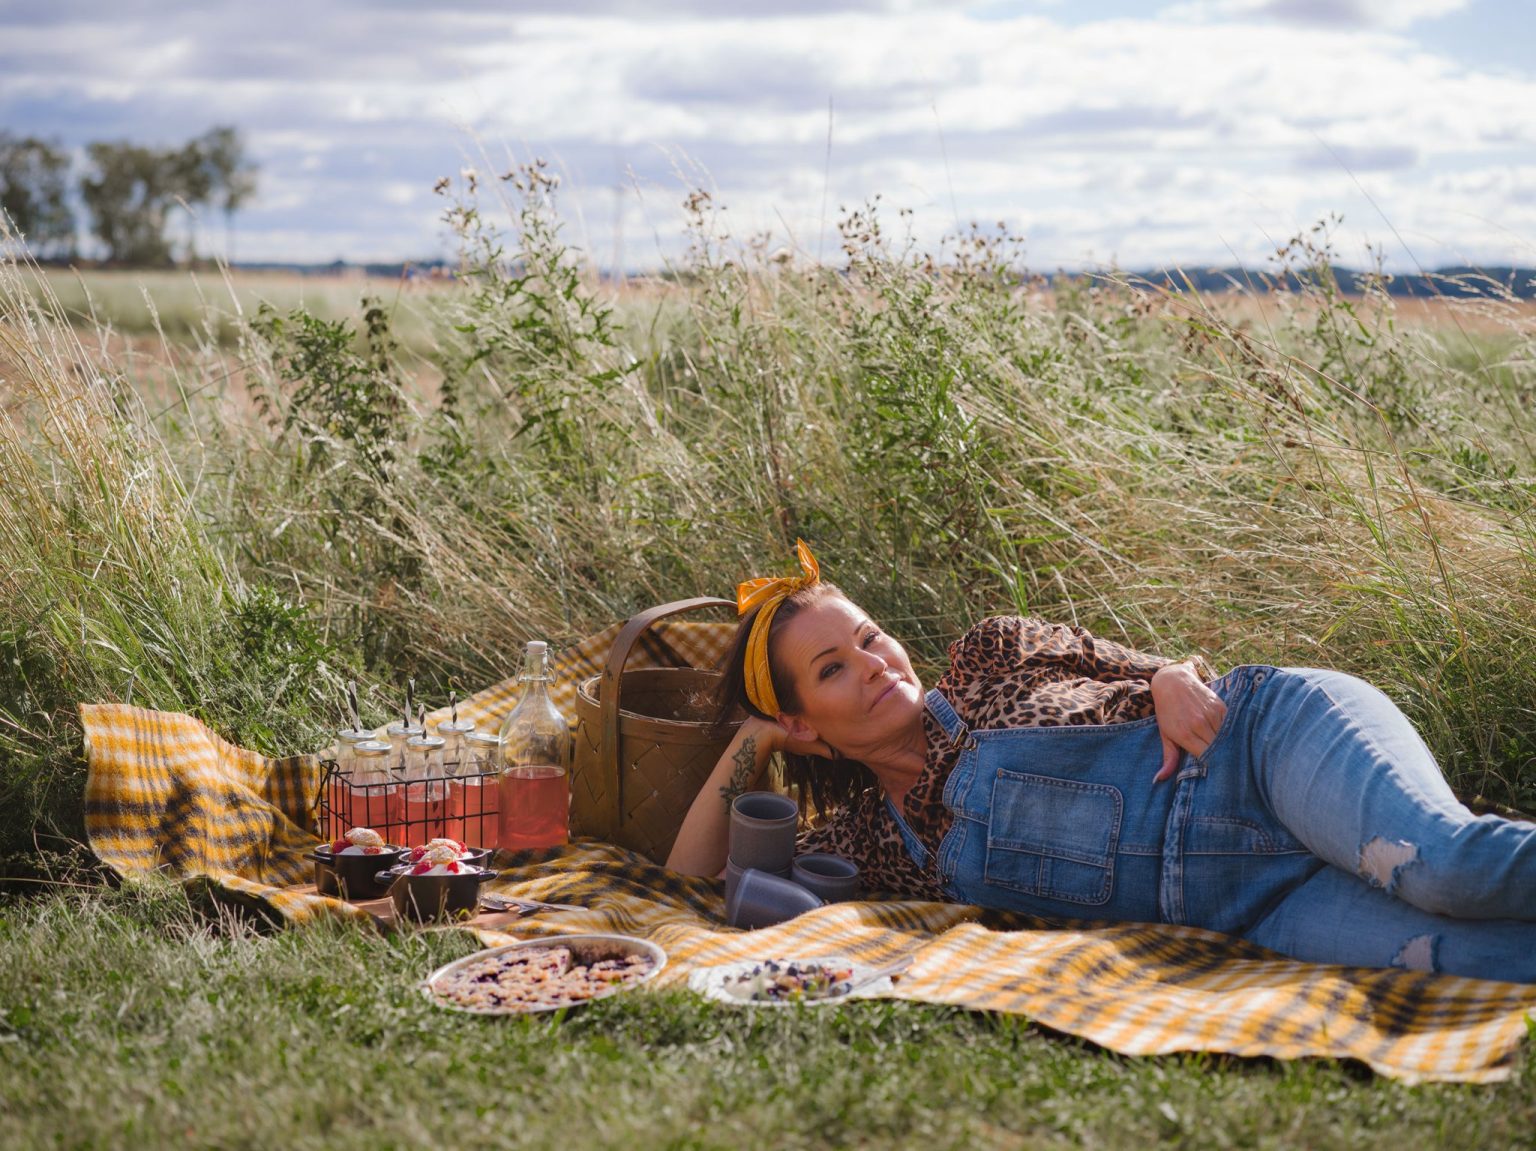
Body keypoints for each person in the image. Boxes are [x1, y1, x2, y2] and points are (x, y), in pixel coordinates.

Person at [668, 541, 1536, 983]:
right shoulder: (877, 844)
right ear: (802, 719)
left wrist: (1166, 676)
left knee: (1448, 870)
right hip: (1260, 907)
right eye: (832, 671)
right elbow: (690, 881)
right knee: (1463, 956)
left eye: (868, 637)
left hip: (1265, 750)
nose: (876, 665)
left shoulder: (987, 656)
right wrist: (753, 741)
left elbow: (1171, 670)